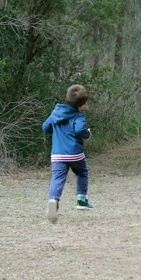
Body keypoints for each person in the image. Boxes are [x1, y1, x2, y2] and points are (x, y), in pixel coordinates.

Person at [42, 84, 93, 224]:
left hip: (57, 154)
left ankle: (53, 202)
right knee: (82, 173)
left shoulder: (56, 113)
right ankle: (81, 200)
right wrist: (87, 134)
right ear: (82, 104)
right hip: (75, 153)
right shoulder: (78, 116)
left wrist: (57, 130)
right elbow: (79, 131)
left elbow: (45, 128)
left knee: (57, 178)